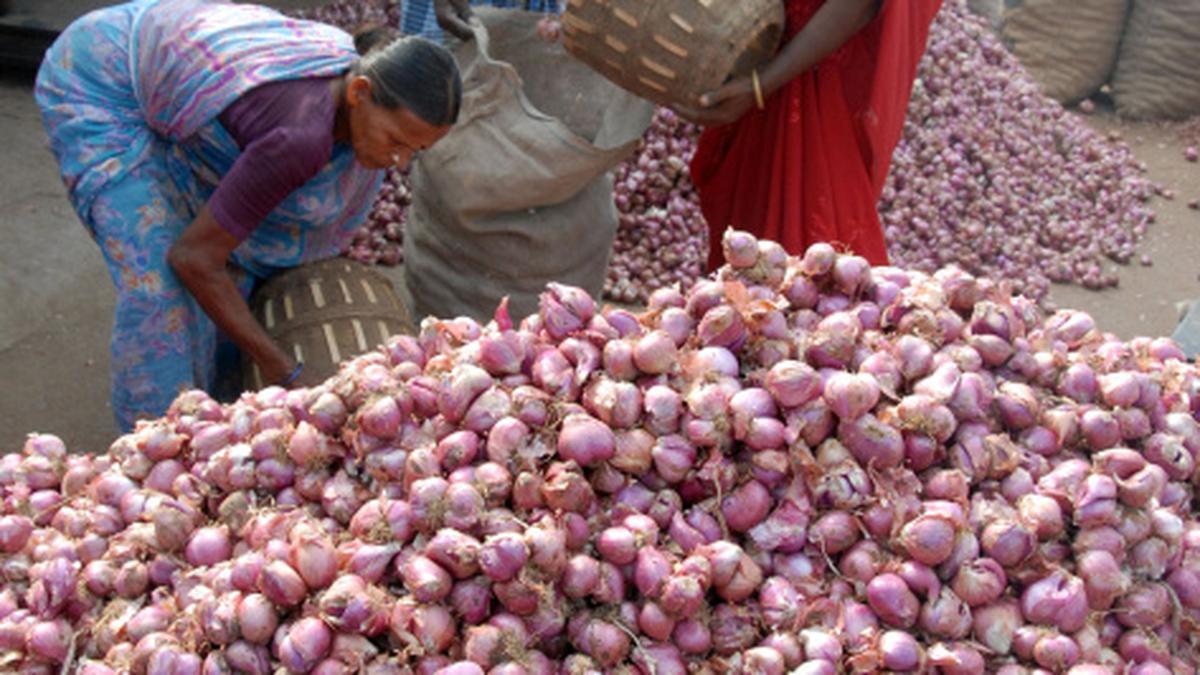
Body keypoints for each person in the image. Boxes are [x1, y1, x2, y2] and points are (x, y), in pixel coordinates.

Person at [34, 0, 462, 432]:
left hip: (174, 59)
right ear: (359, 92)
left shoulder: (356, 79)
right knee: (159, 291)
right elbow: (193, 258)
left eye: (416, 150)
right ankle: (152, 444)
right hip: (102, 77)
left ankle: (220, 404)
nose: (400, 161)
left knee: (232, 262)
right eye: (395, 140)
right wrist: (286, 370)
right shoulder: (299, 139)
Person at [677, 0, 942, 271]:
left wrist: (761, 85)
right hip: (764, 62)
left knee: (812, 264)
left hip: (811, 79)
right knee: (751, 261)